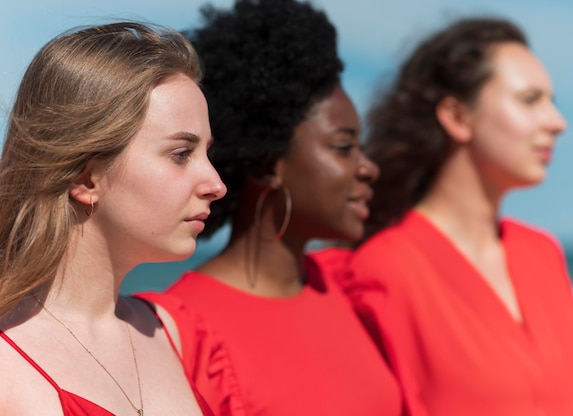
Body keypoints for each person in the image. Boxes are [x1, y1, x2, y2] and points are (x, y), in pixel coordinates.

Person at [341, 17, 573, 416]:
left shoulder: (542, 252)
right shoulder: (384, 270)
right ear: (457, 116)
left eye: (552, 102)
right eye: (531, 99)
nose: (557, 122)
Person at [154, 0, 403, 414]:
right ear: (269, 162)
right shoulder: (183, 331)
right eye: (344, 148)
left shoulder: (353, 293)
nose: (368, 168)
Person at [0, 22, 225, 415]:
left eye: (207, 153)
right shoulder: (8, 363)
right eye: (180, 154)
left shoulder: (176, 333)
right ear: (85, 178)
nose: (216, 184)